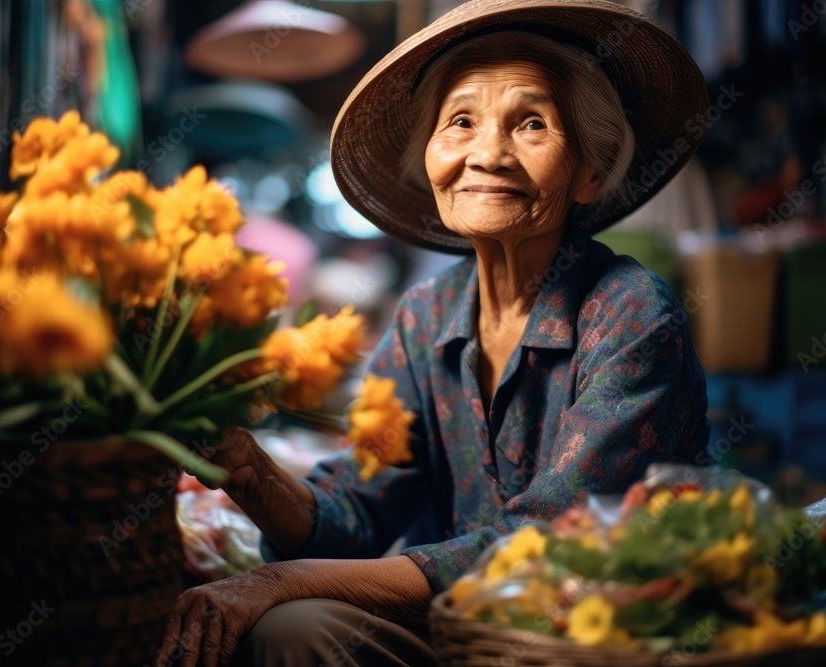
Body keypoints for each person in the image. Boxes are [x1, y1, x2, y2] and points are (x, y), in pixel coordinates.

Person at [157, 1, 712, 665]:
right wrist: (250, 473)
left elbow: (549, 546)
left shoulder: (631, 314)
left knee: (289, 605)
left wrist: (278, 580)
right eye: (461, 122)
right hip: (464, 630)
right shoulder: (425, 316)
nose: (488, 154)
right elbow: (358, 513)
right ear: (430, 158)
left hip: (595, 635)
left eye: (531, 122)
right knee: (294, 630)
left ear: (590, 169)